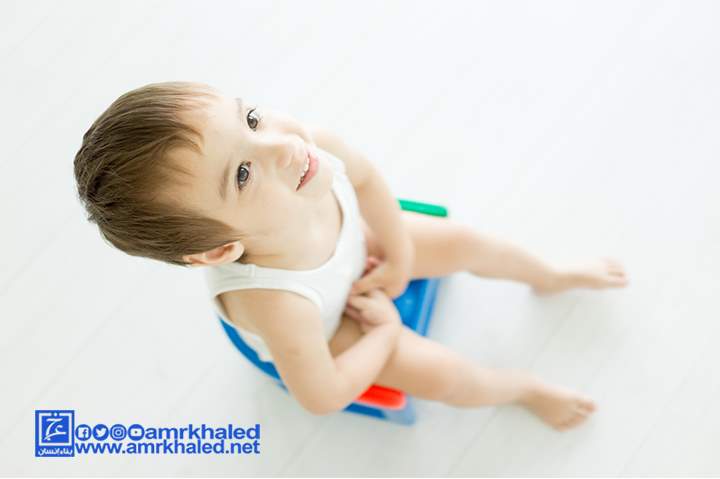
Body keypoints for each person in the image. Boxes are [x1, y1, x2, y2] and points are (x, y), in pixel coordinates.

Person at [73, 81, 628, 431]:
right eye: (242, 173)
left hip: (355, 244)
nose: (281, 145)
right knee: (442, 374)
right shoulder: (275, 304)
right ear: (221, 248)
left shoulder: (308, 150)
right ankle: (522, 389)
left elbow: (366, 181)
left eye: (250, 119)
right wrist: (384, 334)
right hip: (332, 321)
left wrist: (400, 252)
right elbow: (321, 395)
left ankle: (550, 274)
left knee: (465, 241)